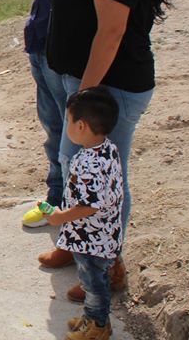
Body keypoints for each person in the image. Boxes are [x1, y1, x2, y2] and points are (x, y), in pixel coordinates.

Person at [40, 0, 169, 303]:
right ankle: (75, 246)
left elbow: (110, 34)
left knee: (105, 183)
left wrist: (84, 97)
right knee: (76, 171)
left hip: (110, 90)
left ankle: (107, 266)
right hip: (89, 86)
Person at [21, 0, 93, 229]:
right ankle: (56, 199)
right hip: (40, 45)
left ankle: (73, 209)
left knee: (72, 137)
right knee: (53, 130)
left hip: (64, 54)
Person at [42, 88, 122, 340]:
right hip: (105, 234)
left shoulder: (90, 163)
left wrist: (58, 217)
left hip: (91, 240)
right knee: (93, 282)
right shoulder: (108, 149)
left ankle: (98, 326)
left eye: (68, 120)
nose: (66, 125)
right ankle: (91, 317)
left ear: (81, 126)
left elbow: (89, 206)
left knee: (93, 284)